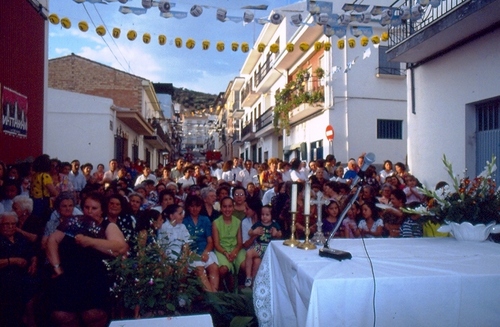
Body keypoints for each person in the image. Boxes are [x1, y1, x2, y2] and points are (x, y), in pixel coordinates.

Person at [46, 192, 128, 327]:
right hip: (68, 275)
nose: (89, 212)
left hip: (95, 277)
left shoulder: (108, 226)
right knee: (61, 315)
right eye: (86, 207)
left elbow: (119, 247)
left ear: (102, 210)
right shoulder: (72, 222)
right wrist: (57, 267)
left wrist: (91, 242)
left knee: (92, 315)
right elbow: (52, 240)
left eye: (94, 208)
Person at [0, 211, 39, 327]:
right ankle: (29, 319)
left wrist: (34, 262)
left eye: (13, 224)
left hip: (23, 274)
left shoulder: (20, 238)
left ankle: (29, 318)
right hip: (5, 274)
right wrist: (13, 260)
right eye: (7, 224)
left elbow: (32, 253)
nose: (11, 227)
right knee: (20, 286)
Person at [183, 195, 219, 292]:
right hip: (191, 253)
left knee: (214, 268)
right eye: (192, 206)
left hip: (205, 250)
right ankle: (212, 298)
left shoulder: (205, 220)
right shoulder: (184, 221)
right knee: (200, 270)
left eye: (198, 206)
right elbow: (184, 244)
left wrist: (206, 252)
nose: (195, 209)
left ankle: (214, 296)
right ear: (188, 207)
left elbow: (210, 241)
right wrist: (191, 254)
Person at [212, 197, 246, 291]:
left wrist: (234, 252)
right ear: (221, 208)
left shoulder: (238, 222)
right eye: (225, 207)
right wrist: (225, 253)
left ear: (233, 207)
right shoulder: (216, 223)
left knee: (245, 265)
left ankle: (242, 286)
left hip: (236, 249)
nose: (227, 209)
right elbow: (216, 244)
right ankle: (224, 288)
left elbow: (239, 242)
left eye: (230, 206)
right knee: (223, 269)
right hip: (222, 250)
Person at [244, 205, 281, 287]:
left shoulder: (274, 225)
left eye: (267, 215)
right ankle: (248, 277)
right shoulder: (258, 224)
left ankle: (257, 283)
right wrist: (254, 232)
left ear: (272, 215)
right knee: (249, 253)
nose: (264, 217)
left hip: (269, 248)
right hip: (259, 246)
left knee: (259, 262)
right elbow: (249, 232)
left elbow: (280, 234)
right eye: (262, 214)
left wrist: (276, 233)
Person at [30, 154, 59, 221]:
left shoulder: (35, 175)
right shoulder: (45, 176)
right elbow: (53, 192)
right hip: (43, 201)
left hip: (34, 201)